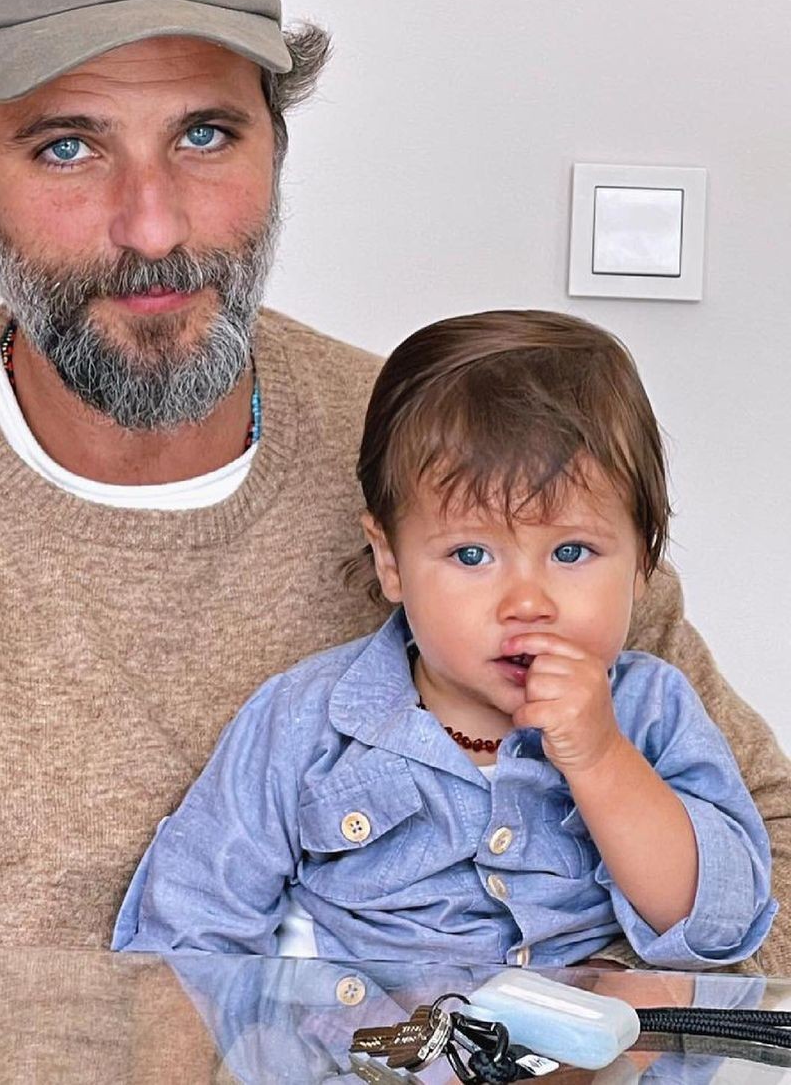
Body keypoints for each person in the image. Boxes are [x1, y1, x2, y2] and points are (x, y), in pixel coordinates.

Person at [0, 0, 787, 969]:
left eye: (206, 134)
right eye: (68, 146)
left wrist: (558, 1025)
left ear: (278, 139)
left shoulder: (473, 457)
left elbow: (766, 866)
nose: (153, 225)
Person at [114, 311, 776, 968]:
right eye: (471, 555)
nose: (528, 604)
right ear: (391, 562)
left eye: (571, 551)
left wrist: (602, 759)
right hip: (356, 1033)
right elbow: (187, 929)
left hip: (582, 1035)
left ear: (642, 564)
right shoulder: (305, 723)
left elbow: (719, 923)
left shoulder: (653, 713)